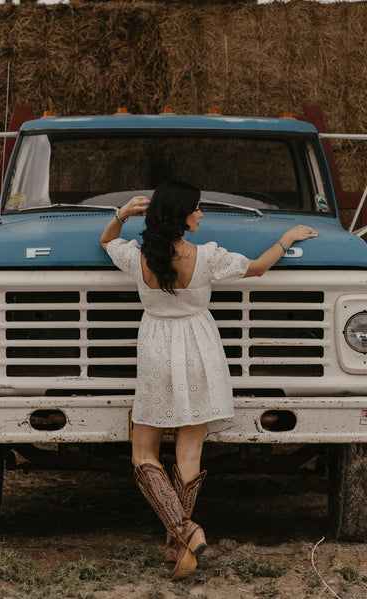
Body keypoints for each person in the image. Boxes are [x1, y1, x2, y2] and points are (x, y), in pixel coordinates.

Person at [100, 180, 319, 581]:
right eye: (197, 208)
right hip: (200, 348)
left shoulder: (137, 257)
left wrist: (121, 214)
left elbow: (106, 241)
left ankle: (178, 544)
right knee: (188, 453)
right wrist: (286, 239)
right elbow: (257, 268)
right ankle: (185, 529)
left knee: (143, 453)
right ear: (182, 214)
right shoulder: (208, 257)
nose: (202, 213)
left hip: (155, 350)